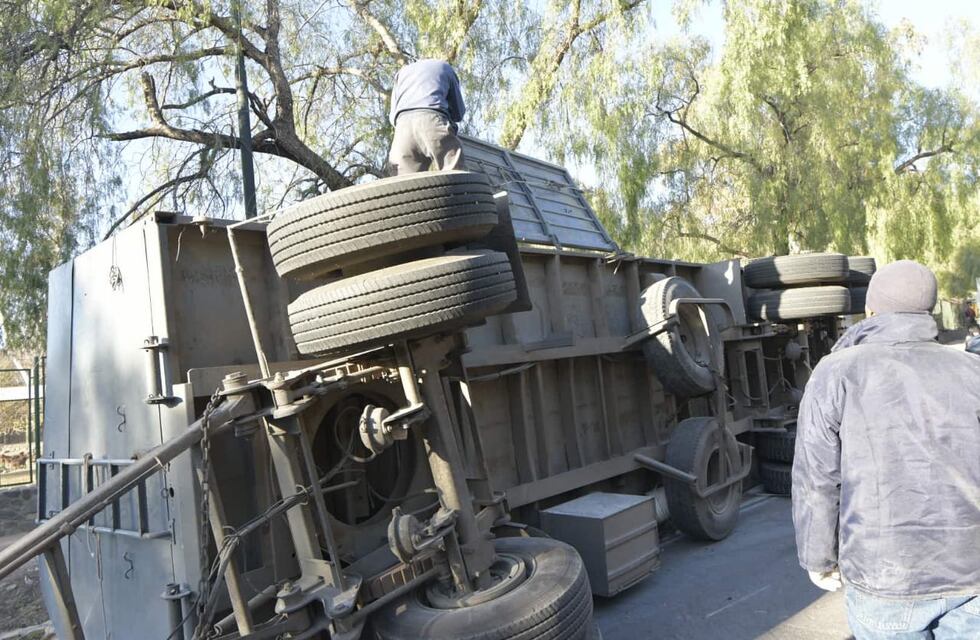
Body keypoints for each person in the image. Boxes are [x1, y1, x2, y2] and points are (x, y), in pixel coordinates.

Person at [792, 260, 980, 639]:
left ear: (871, 310)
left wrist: (818, 557)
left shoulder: (834, 373)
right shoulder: (972, 370)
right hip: (972, 570)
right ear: (929, 310)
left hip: (885, 574)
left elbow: (817, 477)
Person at [387, 59, 466, 175]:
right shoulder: (445, 67)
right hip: (431, 120)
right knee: (454, 172)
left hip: (402, 130)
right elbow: (458, 113)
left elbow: (392, 115)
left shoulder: (402, 73)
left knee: (404, 186)